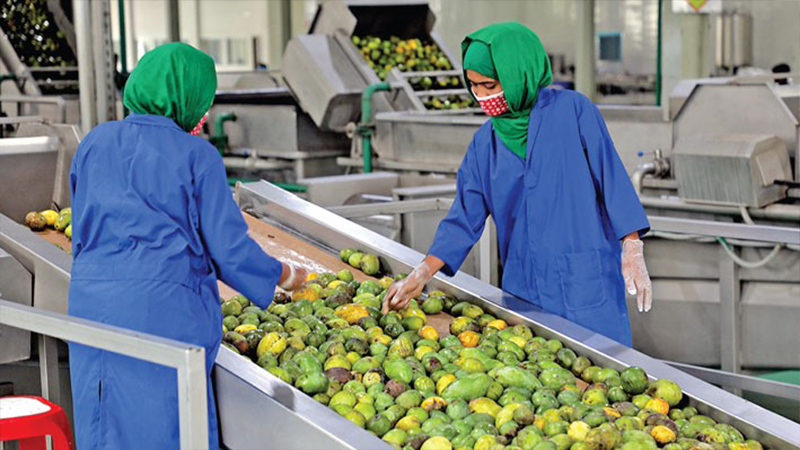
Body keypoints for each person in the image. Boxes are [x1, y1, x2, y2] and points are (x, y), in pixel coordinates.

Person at [67, 43, 307, 449]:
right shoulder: (198, 155)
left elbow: (85, 225)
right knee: (169, 428)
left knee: (105, 422)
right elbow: (229, 250)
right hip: (161, 316)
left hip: (90, 308)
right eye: (204, 102)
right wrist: (283, 274)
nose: (206, 114)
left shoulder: (94, 142)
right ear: (185, 95)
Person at [383, 23, 652, 346]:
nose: (481, 96)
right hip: (525, 287)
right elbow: (462, 220)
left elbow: (612, 180)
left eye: (489, 85)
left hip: (586, 279)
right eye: (474, 86)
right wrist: (422, 273)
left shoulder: (574, 112)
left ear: (516, 73)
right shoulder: (485, 144)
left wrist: (632, 245)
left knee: (604, 382)